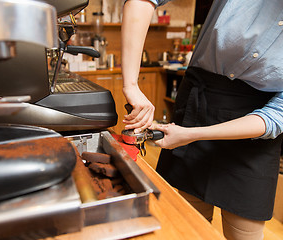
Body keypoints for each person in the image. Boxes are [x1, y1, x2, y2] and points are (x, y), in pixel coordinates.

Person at [121, 0, 283, 240]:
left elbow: (276, 116)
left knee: (245, 231)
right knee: (189, 225)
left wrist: (192, 134)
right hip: (203, 100)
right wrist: (131, 85)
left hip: (254, 131)